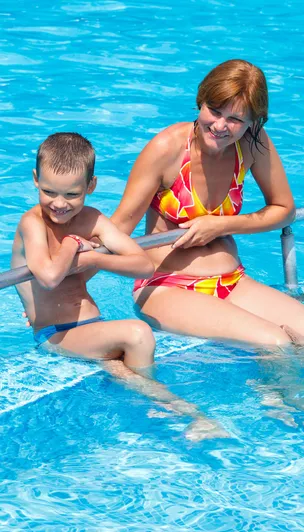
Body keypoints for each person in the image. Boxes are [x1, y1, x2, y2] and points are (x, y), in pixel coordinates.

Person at [12, 132, 227, 441]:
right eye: (49, 192)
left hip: (90, 328)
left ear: (91, 186)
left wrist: (95, 261)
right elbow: (48, 277)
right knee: (138, 333)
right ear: (35, 180)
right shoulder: (32, 223)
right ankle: (149, 413)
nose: (59, 204)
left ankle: (187, 417)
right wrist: (73, 245)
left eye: (72, 195)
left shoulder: (92, 219)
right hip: (55, 334)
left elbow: (143, 264)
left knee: (130, 372)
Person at [111, 59, 304, 347]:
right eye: (214, 111)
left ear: (253, 122)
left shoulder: (254, 144)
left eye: (235, 119)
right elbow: (117, 230)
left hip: (232, 281)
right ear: (201, 102)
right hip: (168, 286)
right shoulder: (167, 149)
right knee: (274, 342)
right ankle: (271, 392)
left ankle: (276, 393)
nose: (219, 126)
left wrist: (221, 225)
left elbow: (284, 209)